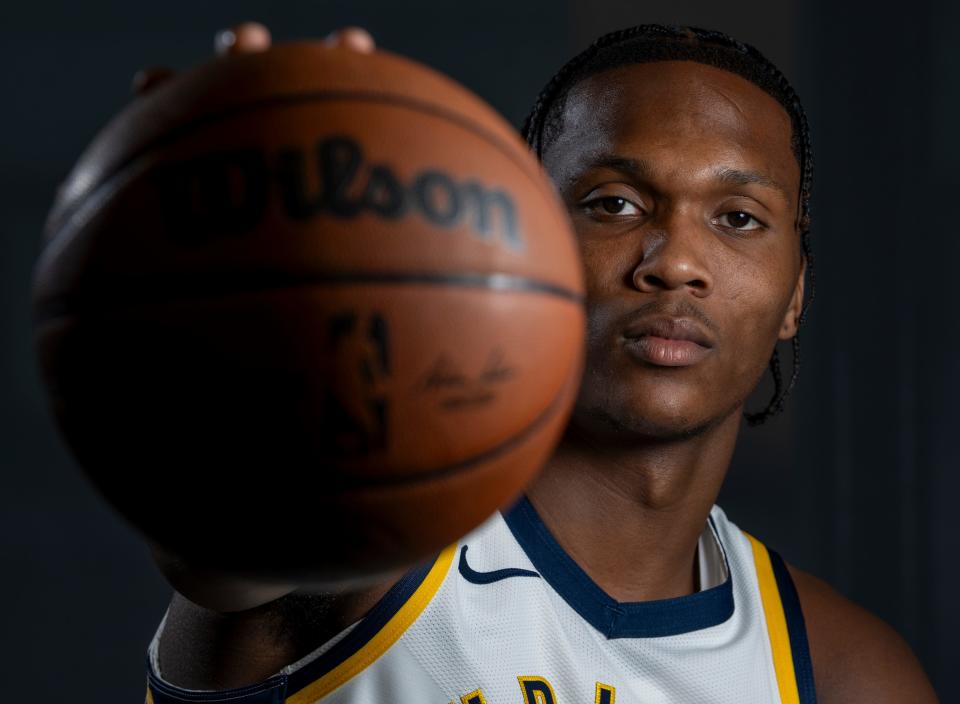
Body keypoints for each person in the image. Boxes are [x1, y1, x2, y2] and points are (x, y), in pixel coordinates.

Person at [144, 23, 938, 704]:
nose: (676, 263)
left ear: (795, 294)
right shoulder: (375, 534)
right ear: (525, 243)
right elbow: (229, 539)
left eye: (738, 218)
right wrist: (247, 287)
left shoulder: (842, 674)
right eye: (614, 204)